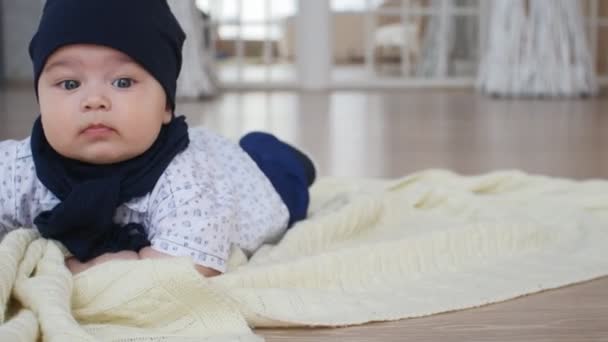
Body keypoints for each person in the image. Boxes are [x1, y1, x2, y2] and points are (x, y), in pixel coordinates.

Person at [0, 0, 315, 277]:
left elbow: (191, 264)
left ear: (166, 104)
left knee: (279, 171)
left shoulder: (183, 179)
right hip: (211, 153)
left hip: (253, 182)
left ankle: (282, 157)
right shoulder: (21, 168)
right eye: (69, 84)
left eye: (123, 82)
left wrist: (106, 265)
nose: (94, 100)